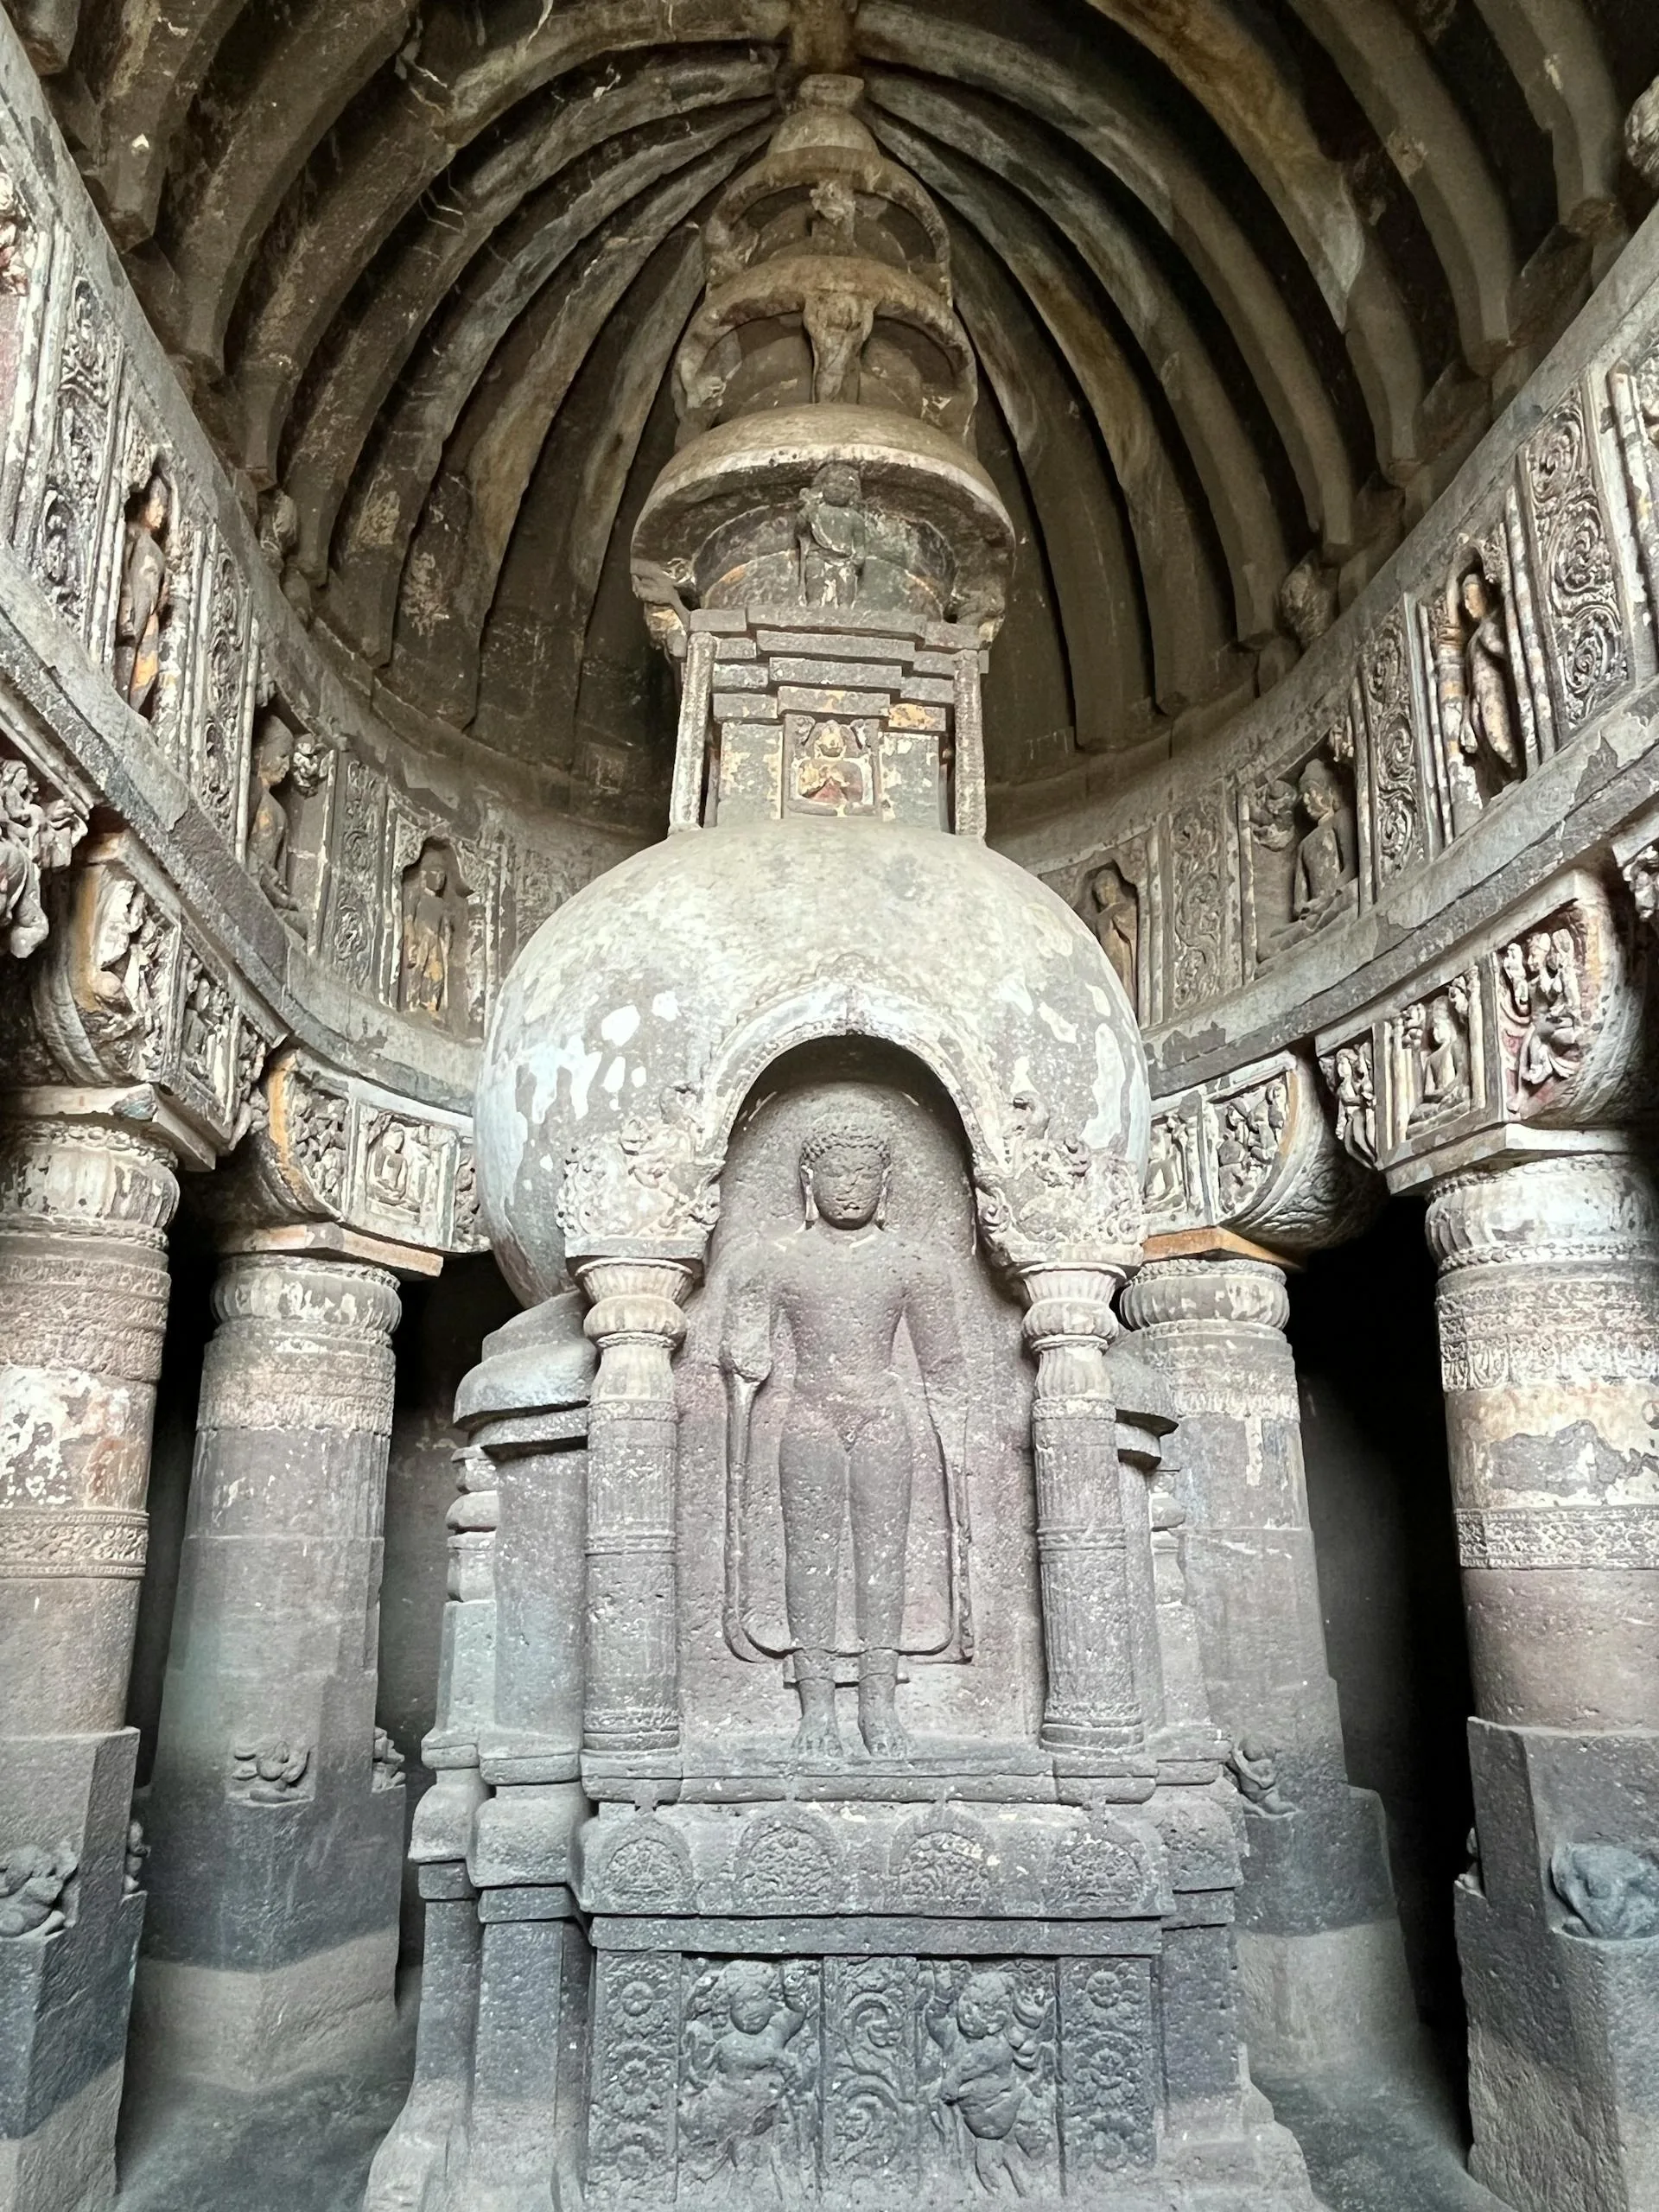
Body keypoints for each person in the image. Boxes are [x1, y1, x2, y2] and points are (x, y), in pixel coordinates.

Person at [721, 1122, 965, 1763]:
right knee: (811, 1559)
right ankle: (818, 1709)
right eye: (838, 1174)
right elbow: (745, 1351)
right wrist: (742, 1360)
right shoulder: (773, 1260)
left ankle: (879, 1706)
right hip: (809, 1418)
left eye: (864, 1176)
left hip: (884, 1417)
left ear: (885, 1184)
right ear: (810, 1181)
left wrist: (956, 1434)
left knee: (883, 1561)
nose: (850, 1188)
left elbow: (942, 1363)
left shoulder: (913, 1263)